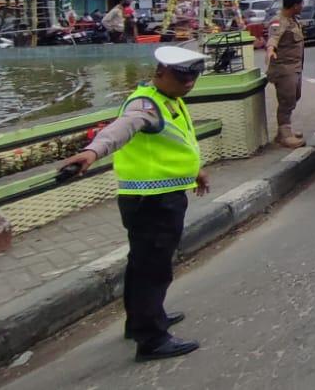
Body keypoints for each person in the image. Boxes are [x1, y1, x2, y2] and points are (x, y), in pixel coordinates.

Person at [59, 46, 209, 361]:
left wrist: (196, 172)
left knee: (142, 263)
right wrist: (92, 152)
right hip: (152, 201)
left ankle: (140, 320)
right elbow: (123, 127)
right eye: (182, 76)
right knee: (153, 269)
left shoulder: (170, 100)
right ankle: (152, 339)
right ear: (160, 72)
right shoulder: (145, 104)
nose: (189, 83)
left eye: (193, 76)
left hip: (159, 196)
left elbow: (178, 141)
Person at [265, 0, 307, 149]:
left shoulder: (293, 20)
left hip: (295, 68)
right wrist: (270, 50)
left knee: (295, 96)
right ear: (295, 5)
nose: (303, 6)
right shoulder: (278, 21)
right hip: (284, 69)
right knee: (286, 100)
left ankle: (282, 131)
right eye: (301, 4)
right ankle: (285, 135)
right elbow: (273, 37)